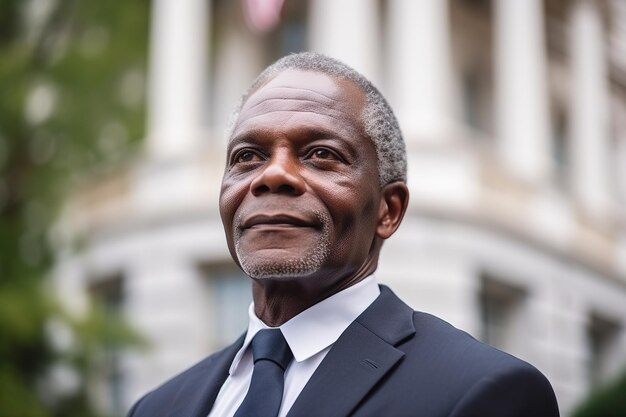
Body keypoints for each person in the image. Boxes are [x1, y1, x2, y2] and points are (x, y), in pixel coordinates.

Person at [127, 52, 560, 417]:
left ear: (388, 211)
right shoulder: (156, 408)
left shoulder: (485, 391)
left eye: (320, 154)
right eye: (248, 156)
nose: (272, 174)